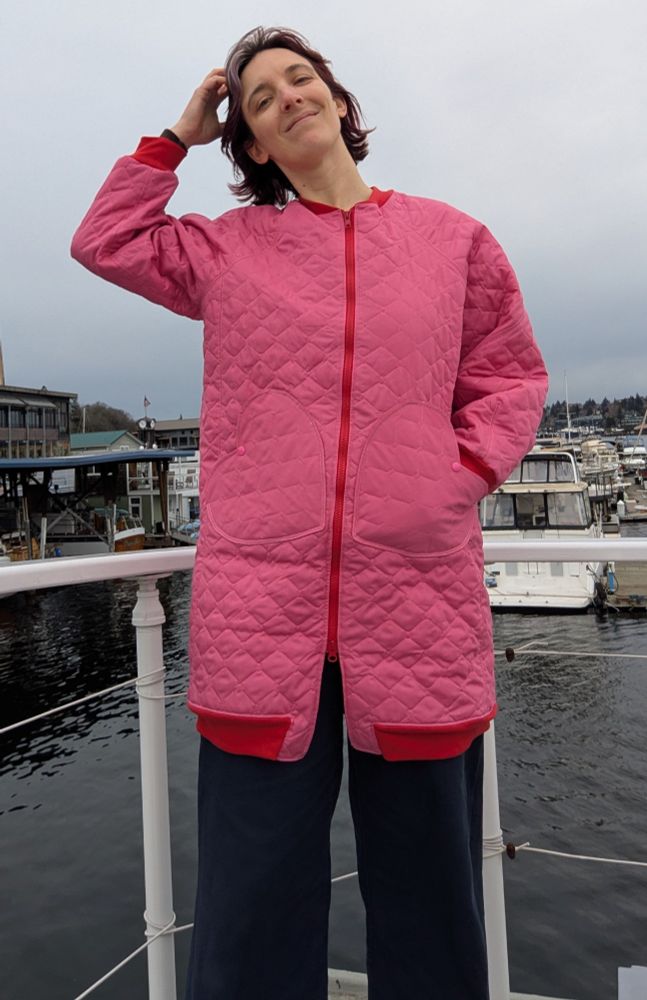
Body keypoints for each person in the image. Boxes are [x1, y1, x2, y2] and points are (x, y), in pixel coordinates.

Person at [71, 25, 548, 1000]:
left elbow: (506, 379)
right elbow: (104, 241)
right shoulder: (226, 252)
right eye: (257, 99)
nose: (286, 96)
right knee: (250, 907)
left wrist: (443, 480)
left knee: (431, 902)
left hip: (416, 610)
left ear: (335, 99)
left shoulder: (453, 240)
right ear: (246, 142)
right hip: (259, 620)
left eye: (300, 79)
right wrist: (173, 137)